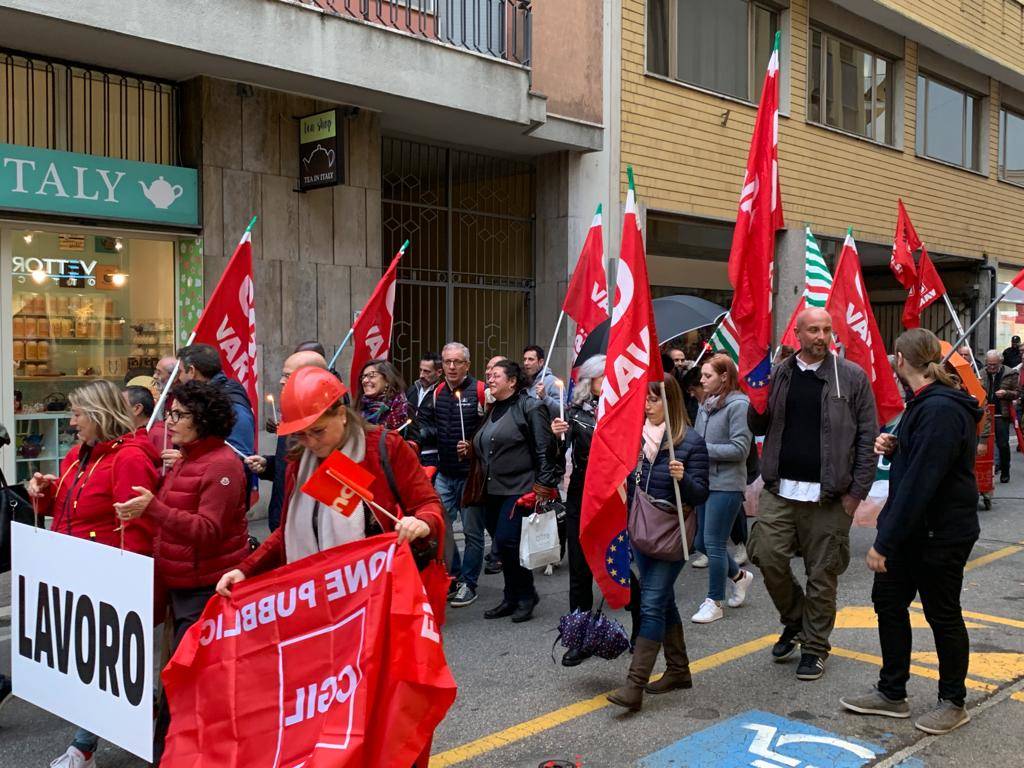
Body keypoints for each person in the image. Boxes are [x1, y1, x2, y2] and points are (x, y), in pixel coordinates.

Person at [217, 365, 444, 768]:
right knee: (329, 717)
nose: (309, 441)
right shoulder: (300, 460)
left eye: (317, 431)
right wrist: (246, 570)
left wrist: (420, 522)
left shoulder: (384, 448)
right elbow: (286, 533)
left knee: (389, 712)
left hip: (381, 614)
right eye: (300, 434)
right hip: (323, 619)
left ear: (342, 413)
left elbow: (429, 506)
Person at [840, 328, 981, 735]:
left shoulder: (940, 408)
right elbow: (922, 458)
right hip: (915, 530)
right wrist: (896, 445)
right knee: (888, 602)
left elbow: (924, 480)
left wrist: (884, 542)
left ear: (901, 360)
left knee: (943, 614)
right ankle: (892, 692)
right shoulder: (922, 404)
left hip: (939, 533)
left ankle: (953, 701)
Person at [113, 380, 251, 762]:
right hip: (180, 584)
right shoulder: (187, 457)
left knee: (191, 682)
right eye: (171, 412)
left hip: (205, 588)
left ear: (202, 420)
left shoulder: (223, 465)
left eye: (179, 414)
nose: (170, 421)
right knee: (180, 679)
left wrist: (153, 509)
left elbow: (208, 532)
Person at [28, 380, 158, 768]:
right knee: (92, 666)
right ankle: (150, 715)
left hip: (107, 578)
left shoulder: (129, 458)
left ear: (99, 415)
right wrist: (41, 493)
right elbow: (69, 508)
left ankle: (83, 748)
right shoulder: (77, 455)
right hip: (77, 572)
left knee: (97, 668)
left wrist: (129, 583)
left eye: (78, 414)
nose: (72, 422)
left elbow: (138, 526)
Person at [748, 307, 878, 682]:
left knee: (822, 574)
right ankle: (795, 621)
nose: (821, 337)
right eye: (814, 331)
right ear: (798, 335)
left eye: (826, 330)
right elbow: (759, 422)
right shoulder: (780, 373)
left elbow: (868, 438)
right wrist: (755, 394)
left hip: (830, 498)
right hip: (780, 491)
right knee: (766, 555)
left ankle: (816, 647)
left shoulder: (850, 377)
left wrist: (856, 494)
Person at [607, 374, 709, 712]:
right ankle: (679, 670)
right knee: (663, 602)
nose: (647, 405)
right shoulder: (636, 439)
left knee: (650, 604)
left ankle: (634, 686)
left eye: (653, 399)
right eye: (645, 399)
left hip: (671, 534)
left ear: (669, 401)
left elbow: (701, 492)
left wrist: (686, 479)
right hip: (641, 530)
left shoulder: (690, 441)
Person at [473, 359, 561, 623]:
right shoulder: (493, 409)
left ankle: (525, 595)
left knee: (508, 542)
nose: (489, 378)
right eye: (488, 374)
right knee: (503, 546)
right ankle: (511, 596)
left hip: (520, 489)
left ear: (512, 381)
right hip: (492, 490)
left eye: (496, 375)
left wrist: (543, 486)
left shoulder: (531, 406)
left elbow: (544, 449)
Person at [417, 342, 489, 606]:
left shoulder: (480, 391)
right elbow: (426, 425)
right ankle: (456, 576)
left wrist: (473, 446)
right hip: (445, 474)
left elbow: (492, 430)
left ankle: (469, 584)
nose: (451, 367)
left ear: (467, 365)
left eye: (457, 362)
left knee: (472, 532)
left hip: (472, 476)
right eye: (447, 362)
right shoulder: (436, 393)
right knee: (441, 530)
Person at [690, 354, 755, 624]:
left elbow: (741, 449)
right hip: (706, 482)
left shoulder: (739, 405)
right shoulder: (705, 403)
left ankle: (714, 601)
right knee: (701, 542)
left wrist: (702, 450)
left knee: (714, 544)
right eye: (702, 376)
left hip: (727, 484)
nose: (702, 380)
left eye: (708, 376)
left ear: (724, 377)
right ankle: (740, 577)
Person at [551, 354, 604, 665]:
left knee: (621, 566)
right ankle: (579, 638)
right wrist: (556, 437)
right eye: (604, 376)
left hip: (616, 494)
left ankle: (644, 630)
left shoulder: (625, 409)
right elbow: (557, 459)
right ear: (591, 381)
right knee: (580, 570)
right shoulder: (572, 415)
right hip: (582, 492)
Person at [244, 349, 328, 532]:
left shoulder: (334, 428)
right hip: (282, 522)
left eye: (288, 376)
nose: (281, 381)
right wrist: (268, 464)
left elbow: (343, 499)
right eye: (283, 375)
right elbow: (290, 465)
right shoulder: (289, 418)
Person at [176, 343, 255, 460]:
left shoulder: (231, 403)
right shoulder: (204, 397)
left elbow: (239, 455)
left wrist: (188, 459)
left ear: (192, 371)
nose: (178, 378)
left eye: (180, 372)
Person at [354, 358, 416, 437]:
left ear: (387, 379)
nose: (365, 380)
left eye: (371, 375)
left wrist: (392, 441)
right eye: (363, 377)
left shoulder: (405, 409)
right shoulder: (358, 409)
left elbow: (415, 443)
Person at [982, 350, 1017, 483]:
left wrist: (1006, 393)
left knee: (1002, 443)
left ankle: (1005, 470)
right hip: (986, 412)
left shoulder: (1010, 373)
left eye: (994, 365)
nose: (991, 367)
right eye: (989, 364)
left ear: (1000, 363)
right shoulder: (982, 373)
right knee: (984, 442)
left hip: (1001, 414)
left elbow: (1017, 393)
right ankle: (989, 468)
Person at [123, 383, 166, 457]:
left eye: (121, 405)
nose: (116, 409)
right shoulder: (129, 431)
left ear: (137, 409)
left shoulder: (158, 434)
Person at [522, 345, 564, 418]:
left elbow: (562, 411)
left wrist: (545, 397)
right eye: (525, 359)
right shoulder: (522, 381)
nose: (526, 363)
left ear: (541, 362)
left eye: (531, 359)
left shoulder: (553, 382)